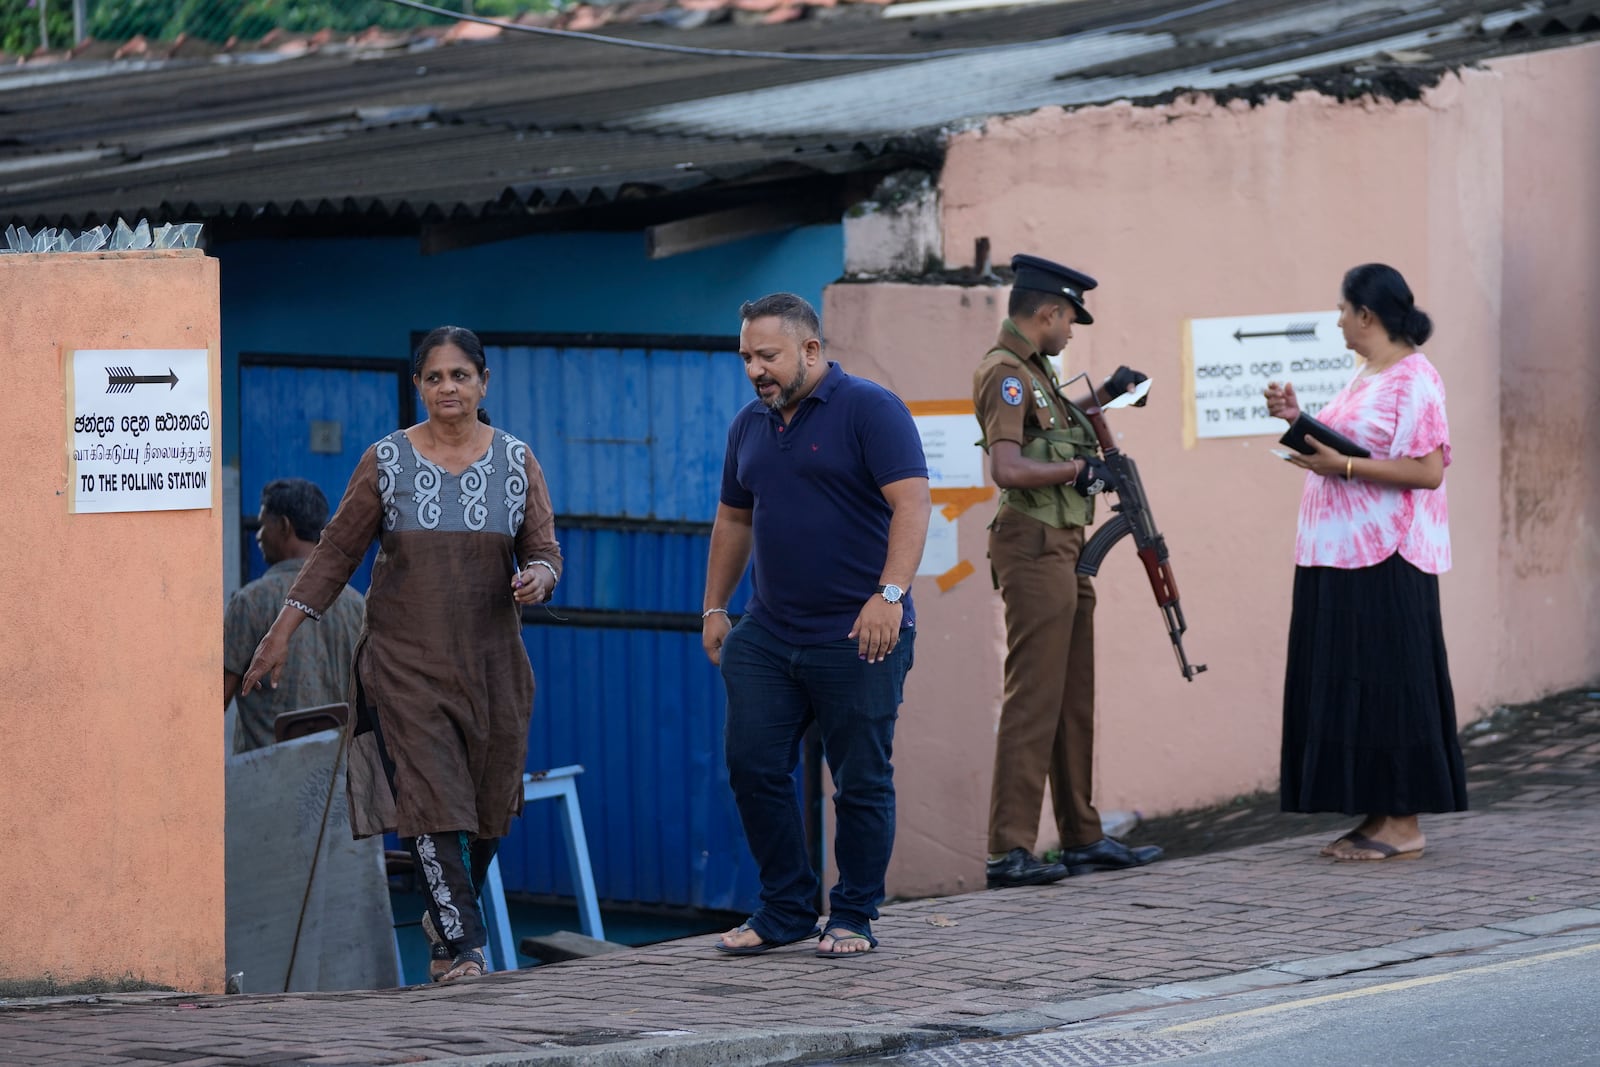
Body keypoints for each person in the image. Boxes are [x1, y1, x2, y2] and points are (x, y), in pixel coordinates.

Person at [241, 326, 562, 982]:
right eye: (435, 376)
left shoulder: (517, 461)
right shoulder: (386, 460)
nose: (448, 387)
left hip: (493, 664)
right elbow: (335, 552)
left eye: (460, 375)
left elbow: (545, 550)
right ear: (418, 386)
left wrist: (538, 577)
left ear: (483, 383)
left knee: (488, 805)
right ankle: (463, 947)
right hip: (403, 662)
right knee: (430, 798)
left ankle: (444, 926)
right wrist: (281, 631)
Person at [702, 293, 930, 959]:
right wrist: (715, 607)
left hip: (861, 633)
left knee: (859, 777)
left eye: (766, 355)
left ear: (810, 350)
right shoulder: (748, 425)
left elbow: (912, 504)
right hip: (769, 633)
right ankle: (786, 907)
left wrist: (889, 593)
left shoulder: (870, 409)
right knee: (752, 763)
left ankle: (854, 913)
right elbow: (734, 519)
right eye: (745, 356)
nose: (754, 370)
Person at [974, 254, 1164, 890]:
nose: (1071, 333)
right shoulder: (1004, 374)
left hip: (1065, 543)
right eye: (1069, 321)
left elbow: (1051, 429)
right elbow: (1008, 466)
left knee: (1071, 696)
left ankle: (1081, 838)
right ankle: (1010, 850)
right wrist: (1079, 472)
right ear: (1048, 313)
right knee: (1034, 697)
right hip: (1031, 544)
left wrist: (1106, 393)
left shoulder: (1035, 375)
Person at [1265, 263, 1466, 860]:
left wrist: (1342, 467)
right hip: (1341, 553)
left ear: (1367, 315)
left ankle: (1404, 825)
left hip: (1388, 554)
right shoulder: (1368, 374)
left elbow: (1427, 471)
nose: (1337, 319)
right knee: (1357, 683)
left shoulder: (1414, 379)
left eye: (1343, 309)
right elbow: (1356, 443)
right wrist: (1299, 422)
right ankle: (1379, 814)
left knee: (1391, 683)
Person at [223, 478, 365, 754]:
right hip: (334, 782)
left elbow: (214, 701)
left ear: (285, 526)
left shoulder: (249, 602)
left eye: (264, 524)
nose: (258, 535)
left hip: (265, 781)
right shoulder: (356, 605)